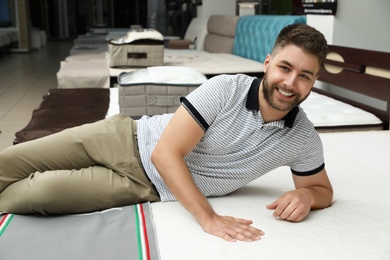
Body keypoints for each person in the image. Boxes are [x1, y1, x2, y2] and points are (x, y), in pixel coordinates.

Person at [0, 23, 333, 242]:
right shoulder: (224, 89)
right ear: (267, 63)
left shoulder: (301, 137)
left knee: (39, 194)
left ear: (314, 82)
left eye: (305, 76)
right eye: (285, 68)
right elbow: (164, 152)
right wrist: (209, 218)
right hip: (122, 137)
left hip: (146, 184)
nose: (290, 83)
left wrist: (306, 195)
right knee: (9, 163)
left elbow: (322, 190)